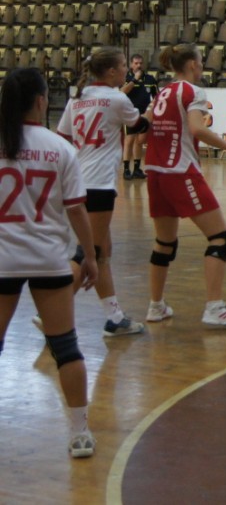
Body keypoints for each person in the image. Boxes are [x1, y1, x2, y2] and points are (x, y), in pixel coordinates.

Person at [0, 68, 99, 458]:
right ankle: (80, 433)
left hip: (3, 260)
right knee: (65, 347)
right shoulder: (59, 148)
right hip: (49, 260)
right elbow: (76, 210)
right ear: (41, 101)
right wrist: (90, 256)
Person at [143, 43, 226, 328]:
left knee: (164, 242)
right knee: (220, 237)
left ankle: (156, 306)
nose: (202, 66)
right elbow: (197, 129)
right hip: (180, 172)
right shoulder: (193, 91)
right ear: (192, 64)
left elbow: (143, 130)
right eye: (201, 61)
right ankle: (214, 307)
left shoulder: (163, 91)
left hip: (155, 172)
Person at [57, 47, 150, 337]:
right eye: (122, 66)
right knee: (89, 252)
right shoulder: (116, 98)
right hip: (99, 184)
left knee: (103, 252)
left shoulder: (78, 98)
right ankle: (50, 312)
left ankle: (114, 317)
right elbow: (140, 125)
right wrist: (155, 109)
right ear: (110, 71)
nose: (126, 70)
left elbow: (63, 136)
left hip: (78, 181)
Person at [122, 53, 157, 179]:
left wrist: (150, 110)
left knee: (139, 142)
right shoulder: (126, 78)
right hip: (129, 114)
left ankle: (137, 169)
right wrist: (134, 80)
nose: (139, 65)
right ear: (131, 64)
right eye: (136, 63)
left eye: (141, 63)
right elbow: (122, 92)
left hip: (144, 115)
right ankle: (126, 169)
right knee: (129, 141)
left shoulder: (150, 79)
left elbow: (156, 97)